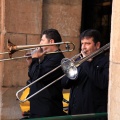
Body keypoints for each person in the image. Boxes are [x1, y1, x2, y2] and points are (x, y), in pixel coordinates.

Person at [61, 29, 109, 120]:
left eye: (87, 43)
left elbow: (103, 83)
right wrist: (70, 73)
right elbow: (65, 84)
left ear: (97, 45)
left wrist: (86, 63)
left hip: (93, 114)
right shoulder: (78, 60)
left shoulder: (105, 62)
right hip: (75, 111)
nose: (83, 47)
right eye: (82, 43)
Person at [26, 29, 66, 118]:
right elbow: (33, 77)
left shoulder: (57, 58)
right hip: (38, 106)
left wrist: (35, 59)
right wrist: (31, 64)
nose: (40, 43)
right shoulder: (48, 57)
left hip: (47, 109)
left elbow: (39, 76)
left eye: (42, 40)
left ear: (51, 41)